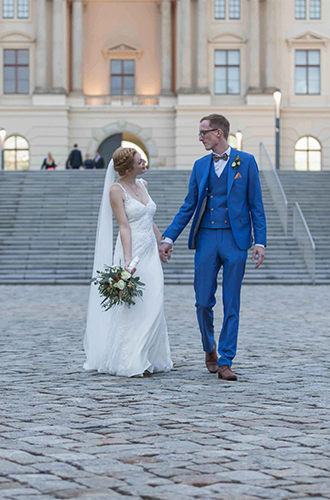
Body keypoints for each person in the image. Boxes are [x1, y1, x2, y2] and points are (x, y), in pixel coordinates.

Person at [159, 114, 267, 381]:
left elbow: (257, 206)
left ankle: (226, 360)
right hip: (206, 238)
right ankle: (210, 348)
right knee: (203, 302)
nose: (200, 137)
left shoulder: (247, 162)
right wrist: (168, 238)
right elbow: (188, 206)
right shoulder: (199, 166)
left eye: (203, 132)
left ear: (219, 133)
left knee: (232, 302)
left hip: (236, 240)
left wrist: (260, 241)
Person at [83, 147, 172, 377]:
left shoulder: (143, 185)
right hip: (132, 250)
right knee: (135, 305)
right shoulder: (116, 190)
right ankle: (132, 357)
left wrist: (162, 243)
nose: (144, 163)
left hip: (151, 251)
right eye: (139, 161)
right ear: (127, 167)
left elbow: (149, 219)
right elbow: (124, 225)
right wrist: (128, 259)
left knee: (155, 299)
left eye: (143, 159)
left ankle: (149, 355)